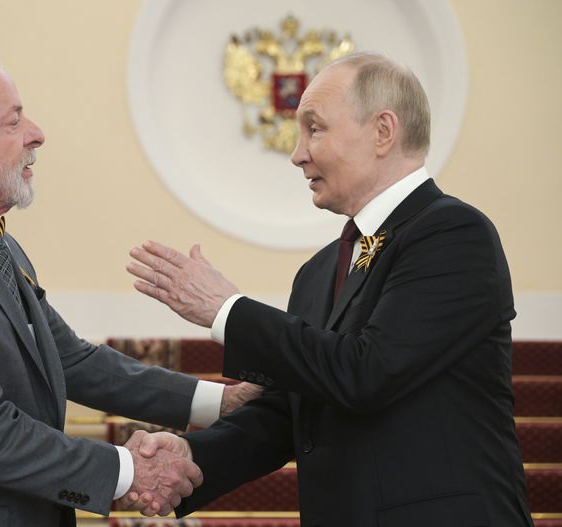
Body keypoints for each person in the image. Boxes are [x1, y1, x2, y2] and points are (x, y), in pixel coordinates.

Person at [0, 51, 261, 527]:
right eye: (13, 123)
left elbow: (68, 358)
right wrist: (129, 470)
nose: (37, 133)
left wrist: (218, 402)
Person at [124, 52, 534, 526]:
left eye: (314, 129)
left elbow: (367, 373)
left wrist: (226, 311)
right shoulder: (318, 272)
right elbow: (288, 413)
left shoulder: (454, 234)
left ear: (383, 131)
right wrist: (192, 456)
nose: (298, 154)